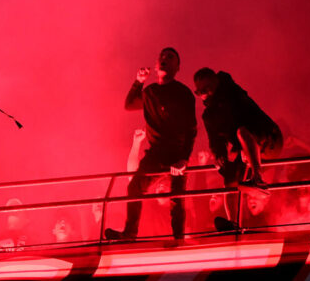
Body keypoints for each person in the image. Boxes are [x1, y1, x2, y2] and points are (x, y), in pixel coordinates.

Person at [104, 47, 197, 244]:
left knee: (176, 197)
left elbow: (191, 129)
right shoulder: (150, 92)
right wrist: (138, 81)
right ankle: (130, 233)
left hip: (177, 151)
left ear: (177, 67)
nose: (164, 59)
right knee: (135, 187)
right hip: (156, 153)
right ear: (156, 66)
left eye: (170, 57)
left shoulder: (183, 93)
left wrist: (184, 158)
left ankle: (178, 239)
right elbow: (129, 104)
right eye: (162, 57)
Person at [193, 67, 282, 231]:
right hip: (244, 146)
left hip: (268, 137)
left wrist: (239, 149)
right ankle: (233, 223)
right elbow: (215, 141)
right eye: (200, 92)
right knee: (229, 179)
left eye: (206, 89)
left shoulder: (230, 90)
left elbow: (241, 117)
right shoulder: (208, 116)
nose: (204, 94)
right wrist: (219, 155)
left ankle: (257, 177)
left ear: (216, 82)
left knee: (242, 131)